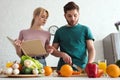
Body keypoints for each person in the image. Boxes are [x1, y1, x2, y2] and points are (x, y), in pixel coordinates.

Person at [51, 1, 96, 70]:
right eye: (69, 16)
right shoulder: (59, 31)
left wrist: (89, 64)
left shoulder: (85, 29)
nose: (72, 18)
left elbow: (91, 49)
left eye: (75, 15)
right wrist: (62, 54)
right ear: (65, 16)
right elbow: (53, 50)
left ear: (79, 14)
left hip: (82, 69)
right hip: (63, 69)